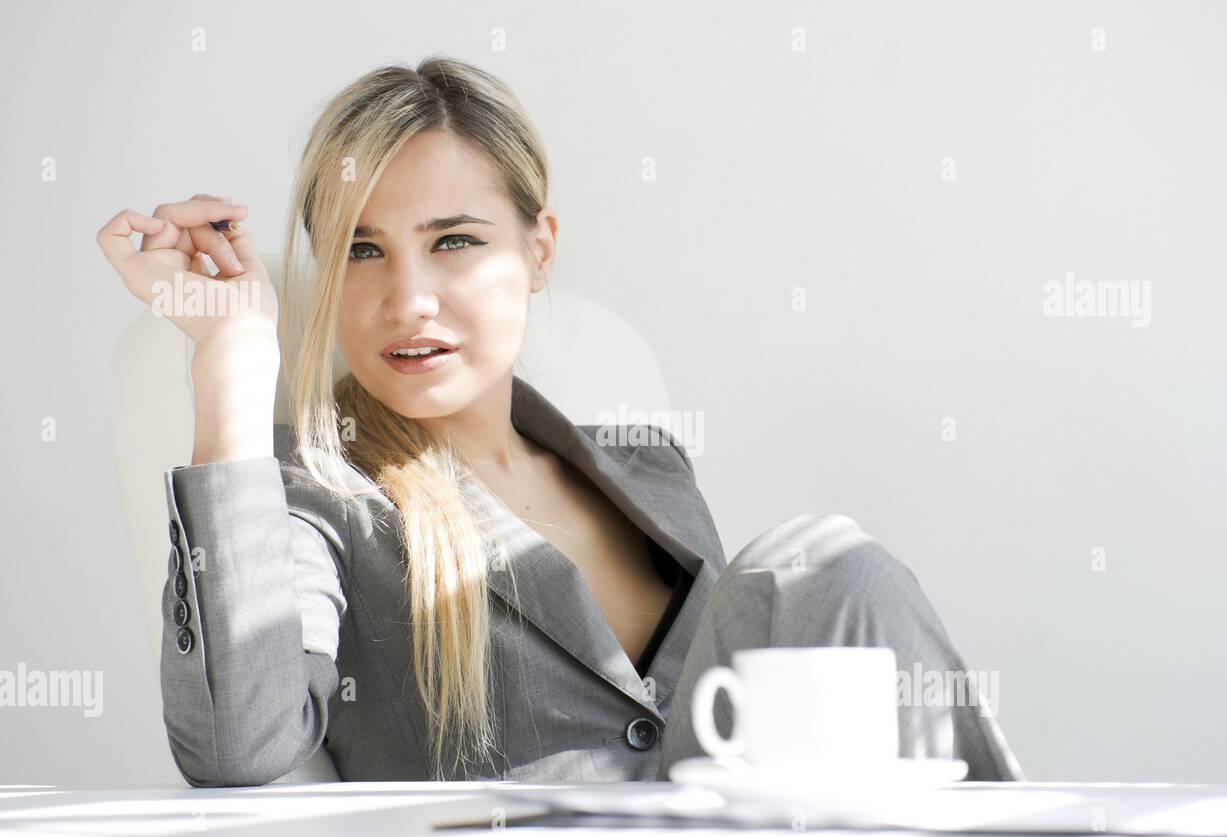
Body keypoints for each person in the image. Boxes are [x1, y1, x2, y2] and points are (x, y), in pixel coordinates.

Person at [95, 55, 1024, 787]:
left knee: (827, 569)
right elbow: (235, 747)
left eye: (453, 241)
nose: (406, 298)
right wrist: (231, 361)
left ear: (537, 249)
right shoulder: (312, 489)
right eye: (362, 250)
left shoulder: (649, 468)